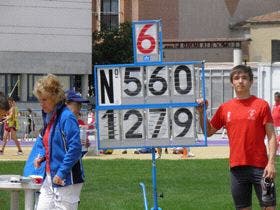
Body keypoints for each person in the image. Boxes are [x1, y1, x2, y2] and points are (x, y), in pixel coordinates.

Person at [196, 65, 277, 210]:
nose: (240, 81)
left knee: (268, 207)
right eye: (236, 78)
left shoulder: (261, 105)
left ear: (251, 82)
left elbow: (271, 136)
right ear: (232, 82)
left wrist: (271, 163)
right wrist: (201, 113)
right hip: (237, 169)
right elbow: (208, 131)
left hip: (262, 168)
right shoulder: (225, 108)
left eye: (245, 78)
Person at [25, 74, 84, 210]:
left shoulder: (67, 117)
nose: (41, 104)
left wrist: (61, 173)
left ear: (55, 98)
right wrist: (42, 157)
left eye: (44, 100)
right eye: (40, 100)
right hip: (50, 177)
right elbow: (51, 144)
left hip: (67, 179)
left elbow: (75, 149)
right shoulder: (50, 116)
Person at [65, 89, 90, 156]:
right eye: (77, 104)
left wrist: (85, 145)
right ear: (66, 104)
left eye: (81, 104)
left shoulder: (77, 122)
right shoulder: (58, 123)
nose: (80, 107)